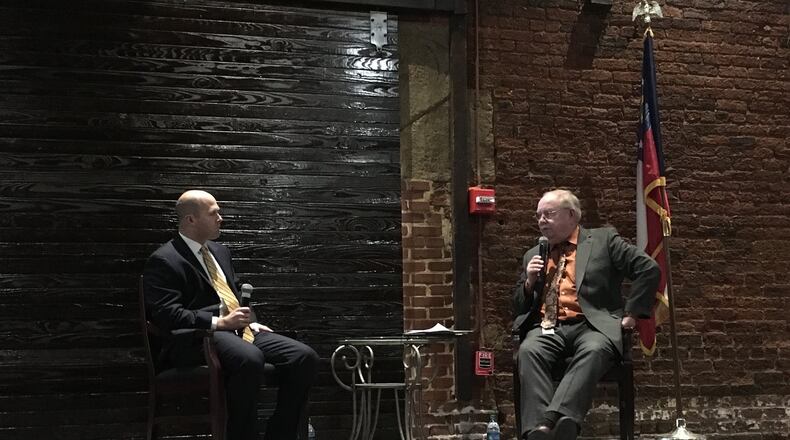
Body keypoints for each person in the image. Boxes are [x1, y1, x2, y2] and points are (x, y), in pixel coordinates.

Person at [144, 189, 319, 440]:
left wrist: (252, 322)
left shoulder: (220, 252)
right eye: (214, 213)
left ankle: (279, 434)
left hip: (238, 331)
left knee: (304, 358)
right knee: (249, 358)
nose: (220, 218)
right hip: (198, 337)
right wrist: (219, 322)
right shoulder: (165, 259)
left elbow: (233, 295)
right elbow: (166, 314)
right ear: (191, 219)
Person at [513, 189, 659, 440]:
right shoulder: (534, 253)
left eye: (548, 214)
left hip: (592, 325)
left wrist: (632, 314)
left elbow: (649, 269)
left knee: (594, 350)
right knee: (528, 350)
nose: (541, 221)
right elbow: (517, 307)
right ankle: (542, 431)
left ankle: (547, 424)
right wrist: (529, 281)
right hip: (549, 327)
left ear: (572, 215)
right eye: (538, 216)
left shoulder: (604, 240)